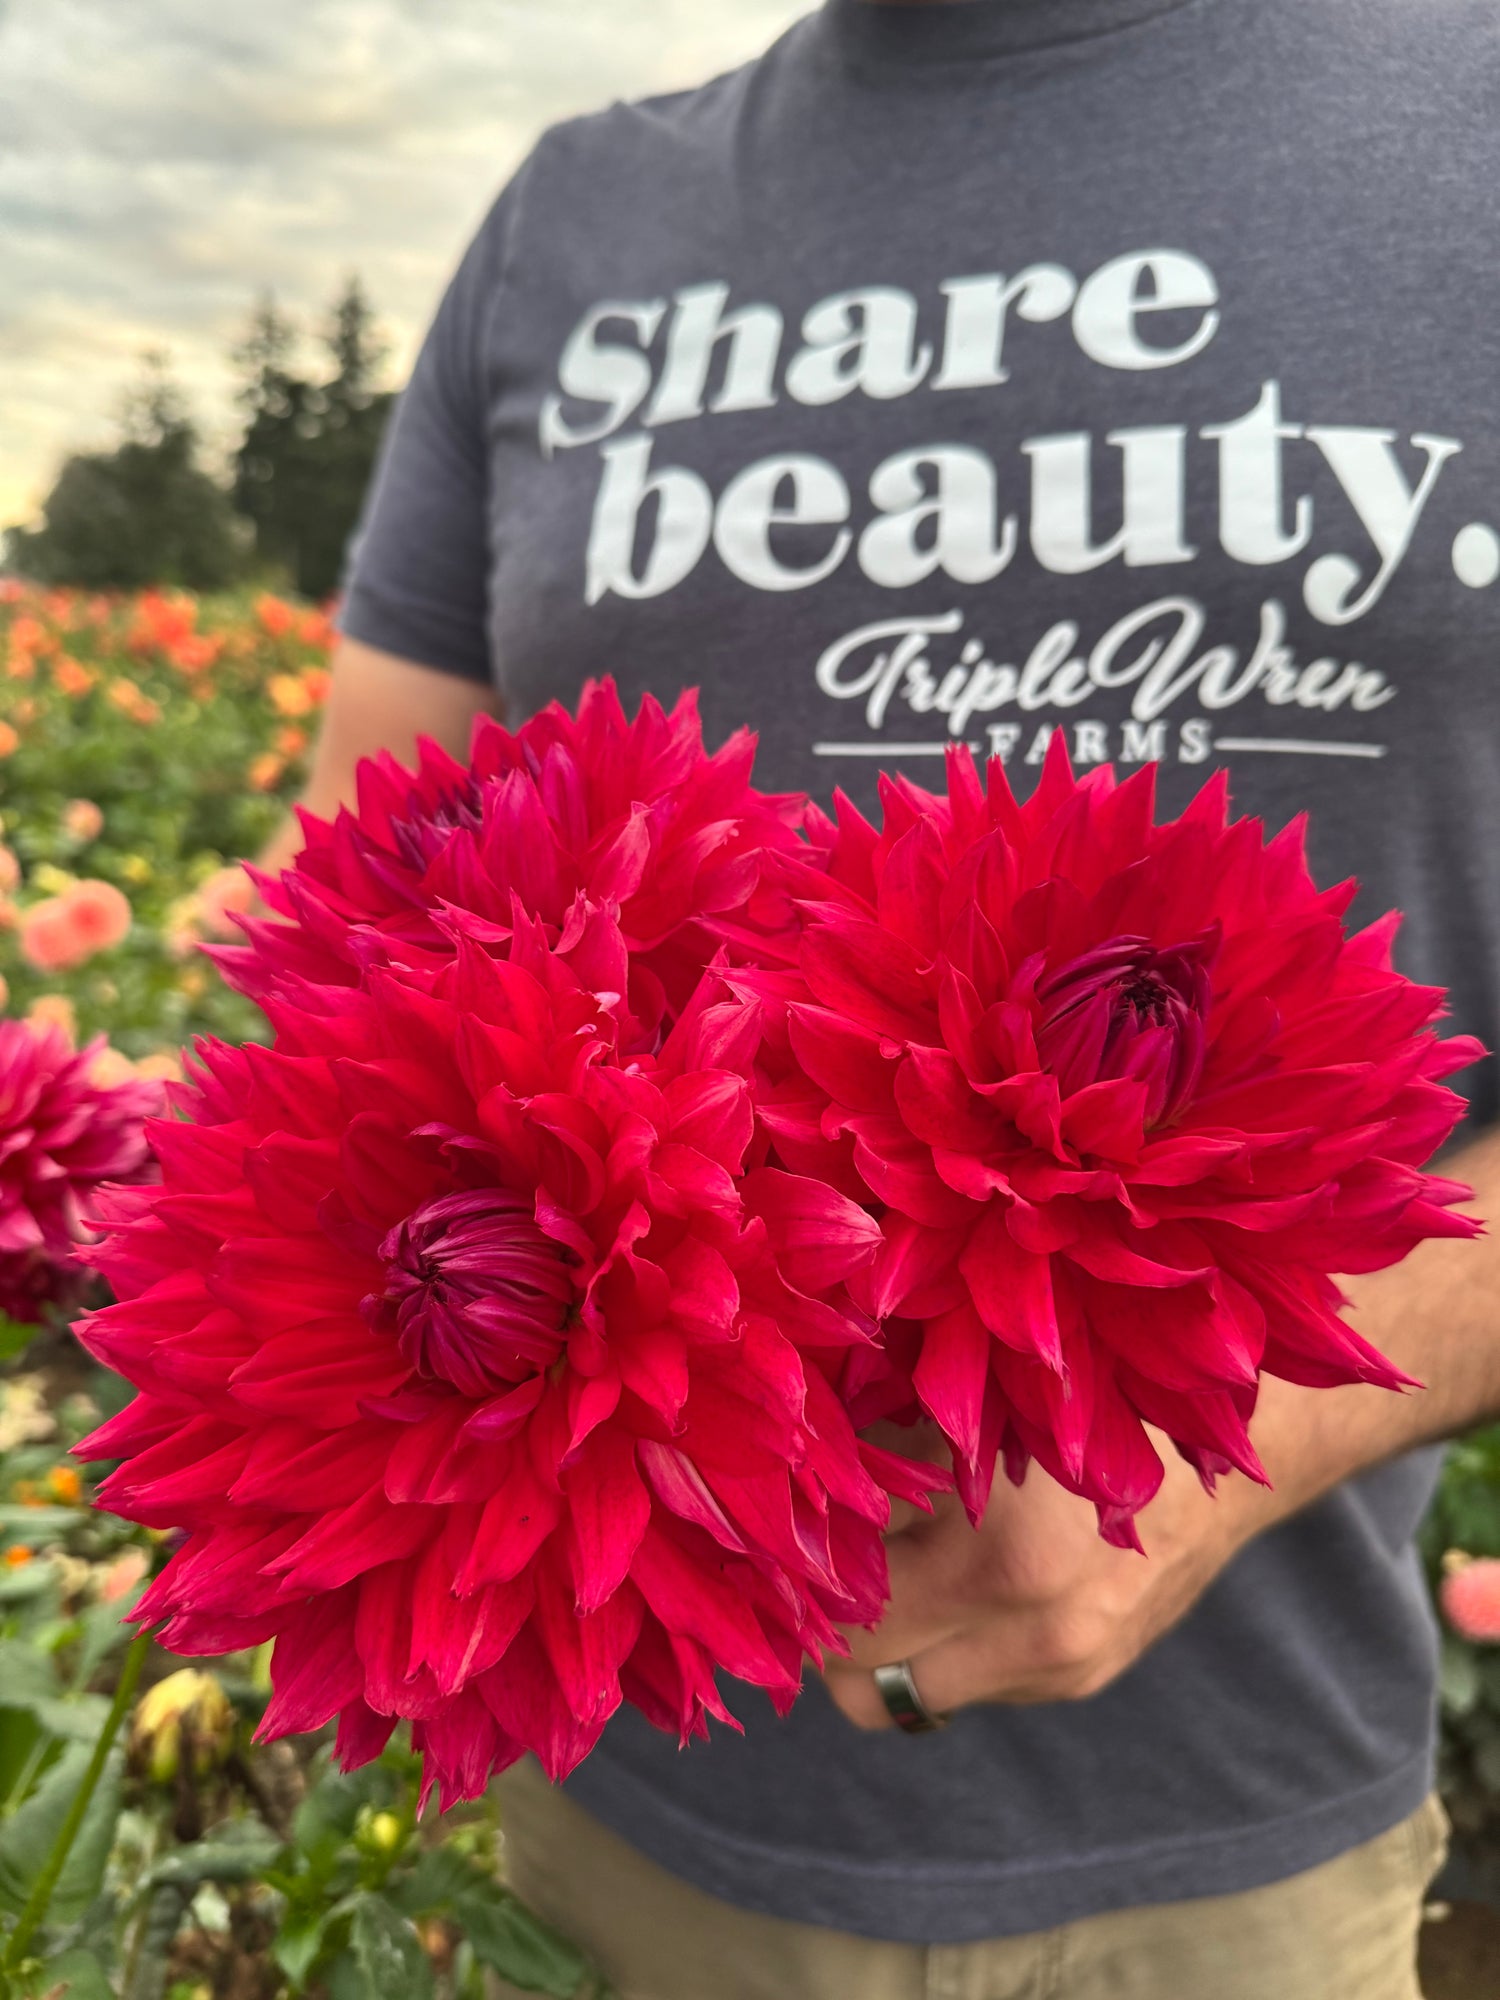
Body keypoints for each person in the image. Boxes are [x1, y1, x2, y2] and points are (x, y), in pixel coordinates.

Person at [274, 2, 1500, 1992]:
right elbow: (353, 892)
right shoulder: (569, 219)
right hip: (626, 1824)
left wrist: (1252, 1423)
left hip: (1229, 1872)